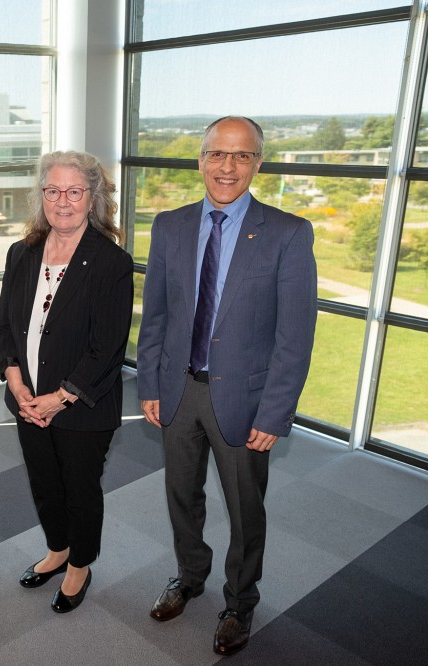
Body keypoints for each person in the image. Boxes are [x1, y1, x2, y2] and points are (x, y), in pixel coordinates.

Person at [136, 116, 318, 656]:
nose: (227, 167)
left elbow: (295, 336)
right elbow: (157, 317)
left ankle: (240, 600)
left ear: (257, 164)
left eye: (242, 156)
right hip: (178, 391)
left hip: (245, 400)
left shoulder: (287, 233)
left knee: (245, 507)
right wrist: (149, 380)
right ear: (201, 160)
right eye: (218, 154)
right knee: (180, 496)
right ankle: (190, 576)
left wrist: (275, 413)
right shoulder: (170, 226)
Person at [0, 150, 133, 614]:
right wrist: (16, 384)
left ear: (92, 198)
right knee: (44, 484)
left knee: (79, 489)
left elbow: (107, 347)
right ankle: (58, 549)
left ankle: (80, 564)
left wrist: (59, 398)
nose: (63, 201)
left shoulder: (111, 262)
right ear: (41, 196)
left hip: (82, 407)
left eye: (74, 191)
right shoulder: (23, 252)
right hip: (28, 400)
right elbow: (5, 327)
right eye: (53, 190)